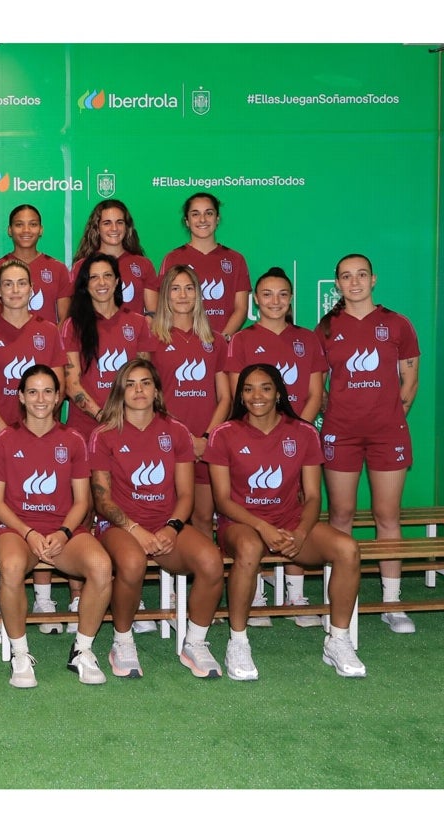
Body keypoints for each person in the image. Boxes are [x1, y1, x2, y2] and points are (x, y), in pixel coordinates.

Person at [204, 363, 367, 680]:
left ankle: (338, 640)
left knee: (347, 549)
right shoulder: (225, 433)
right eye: (248, 389)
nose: (256, 396)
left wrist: (301, 533)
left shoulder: (303, 432)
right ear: (241, 395)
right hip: (241, 525)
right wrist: (263, 528)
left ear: (278, 393)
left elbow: (313, 496)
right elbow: (223, 500)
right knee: (250, 548)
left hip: (290, 523)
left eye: (265, 388)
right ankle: (238, 642)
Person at [88, 360, 225, 679]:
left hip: (167, 524)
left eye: (146, 383)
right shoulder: (104, 435)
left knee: (211, 561)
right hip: (120, 526)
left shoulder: (176, 431)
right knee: (133, 563)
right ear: (120, 391)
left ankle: (196, 642)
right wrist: (136, 530)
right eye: (131, 384)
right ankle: (121, 641)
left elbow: (187, 495)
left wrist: (172, 528)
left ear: (157, 390)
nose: (138, 390)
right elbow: (102, 499)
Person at [0, 365, 112, 687]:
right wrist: (28, 533)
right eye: (32, 392)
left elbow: (83, 501)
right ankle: (20, 654)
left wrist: (63, 533)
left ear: (58, 398)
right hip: (16, 530)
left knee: (101, 566)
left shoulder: (73, 440)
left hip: (63, 531)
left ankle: (82, 650)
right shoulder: (5, 439)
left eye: (47, 392)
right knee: (13, 567)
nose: (40, 399)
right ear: (21, 397)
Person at [317, 254, 420, 633]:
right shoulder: (326, 328)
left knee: (386, 516)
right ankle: (340, 601)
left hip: (387, 434)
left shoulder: (397, 324)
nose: (354, 282)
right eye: (346, 276)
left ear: (373, 279)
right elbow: (319, 386)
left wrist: (393, 415)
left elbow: (410, 380)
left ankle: (392, 602)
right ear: (338, 284)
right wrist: (339, 412)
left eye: (361, 275)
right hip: (340, 434)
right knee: (341, 516)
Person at [226, 266, 328, 626]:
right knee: (253, 501)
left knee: (296, 506)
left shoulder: (308, 339)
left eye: (283, 294)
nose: (275, 301)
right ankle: (255, 593)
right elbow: (242, 396)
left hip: (296, 440)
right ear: (256, 299)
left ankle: (297, 593)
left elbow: (316, 393)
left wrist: (295, 431)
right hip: (255, 436)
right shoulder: (240, 339)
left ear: (291, 299)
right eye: (267, 294)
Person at [0, 259, 66, 636]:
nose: (14, 290)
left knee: (45, 516)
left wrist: (31, 432)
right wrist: (7, 435)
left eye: (21, 284)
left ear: (32, 290)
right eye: (7, 284)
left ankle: (43, 597)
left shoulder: (49, 331)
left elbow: (56, 390)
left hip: (44, 441)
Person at [148, 265, 231, 537]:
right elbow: (148, 397)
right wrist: (181, 439)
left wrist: (205, 438)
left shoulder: (215, 341)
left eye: (189, 288)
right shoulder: (152, 338)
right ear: (165, 296)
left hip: (204, 444)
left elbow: (225, 397)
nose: (182, 295)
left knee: (204, 517)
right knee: (166, 518)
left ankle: (207, 579)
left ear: (198, 294)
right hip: (166, 444)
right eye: (175, 288)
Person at [61, 253, 156, 444]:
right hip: (85, 429)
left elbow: (145, 379)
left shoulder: (138, 323)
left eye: (107, 276)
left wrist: (124, 418)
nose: (101, 282)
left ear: (117, 281)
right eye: (94, 277)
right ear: (85, 285)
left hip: (129, 425)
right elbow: (71, 384)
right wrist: (103, 417)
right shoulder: (73, 325)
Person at [156, 192, 250, 338]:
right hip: (183, 343)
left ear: (217, 218)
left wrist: (221, 340)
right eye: (195, 214)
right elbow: (163, 305)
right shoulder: (172, 258)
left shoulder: (235, 259)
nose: (202, 219)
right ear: (187, 221)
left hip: (222, 344)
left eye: (209, 213)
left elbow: (241, 308)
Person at [0, 204, 73, 323]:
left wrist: (48, 340)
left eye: (33, 224)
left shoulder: (58, 269)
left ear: (41, 230)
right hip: (8, 341)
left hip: (47, 341)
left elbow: (64, 322)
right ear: (10, 230)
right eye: (19, 225)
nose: (26, 230)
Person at [72, 200, 155, 317]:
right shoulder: (81, 266)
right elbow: (77, 312)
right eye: (107, 223)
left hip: (134, 335)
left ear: (127, 227)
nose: (114, 228)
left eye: (119, 222)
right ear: (97, 228)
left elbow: (153, 314)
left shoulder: (143, 264)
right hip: (94, 335)